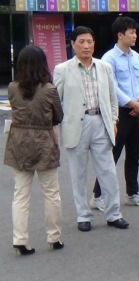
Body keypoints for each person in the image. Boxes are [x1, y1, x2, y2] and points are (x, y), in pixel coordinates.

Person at [53, 26, 129, 232]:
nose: (86, 46)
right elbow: (56, 102)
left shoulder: (104, 67)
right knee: (77, 173)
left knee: (108, 171)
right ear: (72, 44)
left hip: (101, 122)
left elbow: (113, 99)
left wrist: (113, 121)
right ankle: (83, 215)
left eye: (89, 41)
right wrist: (58, 125)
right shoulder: (62, 69)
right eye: (81, 42)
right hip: (76, 125)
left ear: (94, 44)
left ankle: (113, 213)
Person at [4, 45, 64, 255]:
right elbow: (59, 116)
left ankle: (20, 239)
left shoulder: (12, 87)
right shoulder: (49, 90)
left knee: (21, 194)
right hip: (43, 141)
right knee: (51, 193)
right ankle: (54, 237)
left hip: (19, 141)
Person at [91, 16, 139, 211]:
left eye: (135, 32)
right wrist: (132, 103)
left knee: (134, 154)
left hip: (138, 111)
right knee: (112, 155)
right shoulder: (109, 58)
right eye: (131, 32)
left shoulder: (136, 56)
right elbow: (112, 87)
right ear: (120, 35)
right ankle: (98, 196)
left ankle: (133, 193)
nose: (135, 35)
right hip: (119, 113)